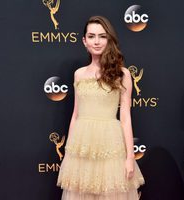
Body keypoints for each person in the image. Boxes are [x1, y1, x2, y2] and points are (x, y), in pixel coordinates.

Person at [57, 15, 145, 200]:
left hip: (110, 146)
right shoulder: (78, 74)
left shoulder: (122, 74)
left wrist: (130, 157)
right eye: (91, 36)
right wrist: (68, 152)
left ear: (109, 39)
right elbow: (75, 115)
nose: (96, 41)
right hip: (82, 147)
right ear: (84, 41)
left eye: (102, 36)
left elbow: (126, 118)